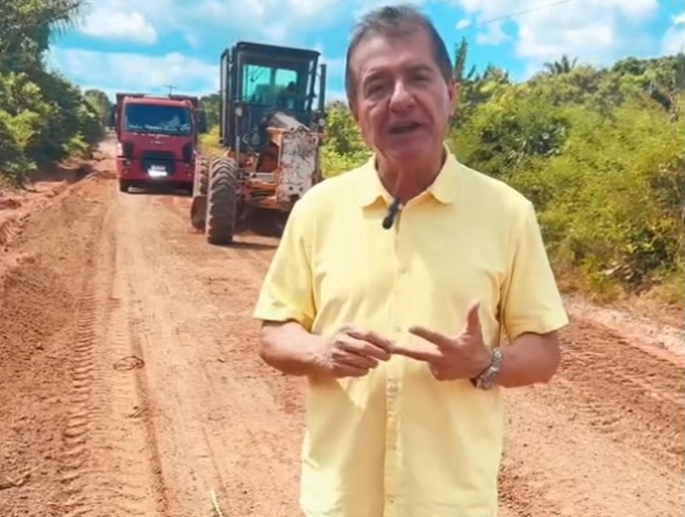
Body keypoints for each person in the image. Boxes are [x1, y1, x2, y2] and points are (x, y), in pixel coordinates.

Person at [252, 4, 569, 517]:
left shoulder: (507, 214)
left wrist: (483, 363)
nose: (400, 99)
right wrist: (321, 350)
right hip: (340, 502)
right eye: (376, 86)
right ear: (355, 112)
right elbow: (274, 334)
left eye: (419, 77)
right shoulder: (317, 210)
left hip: (451, 505)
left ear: (450, 94)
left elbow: (543, 354)